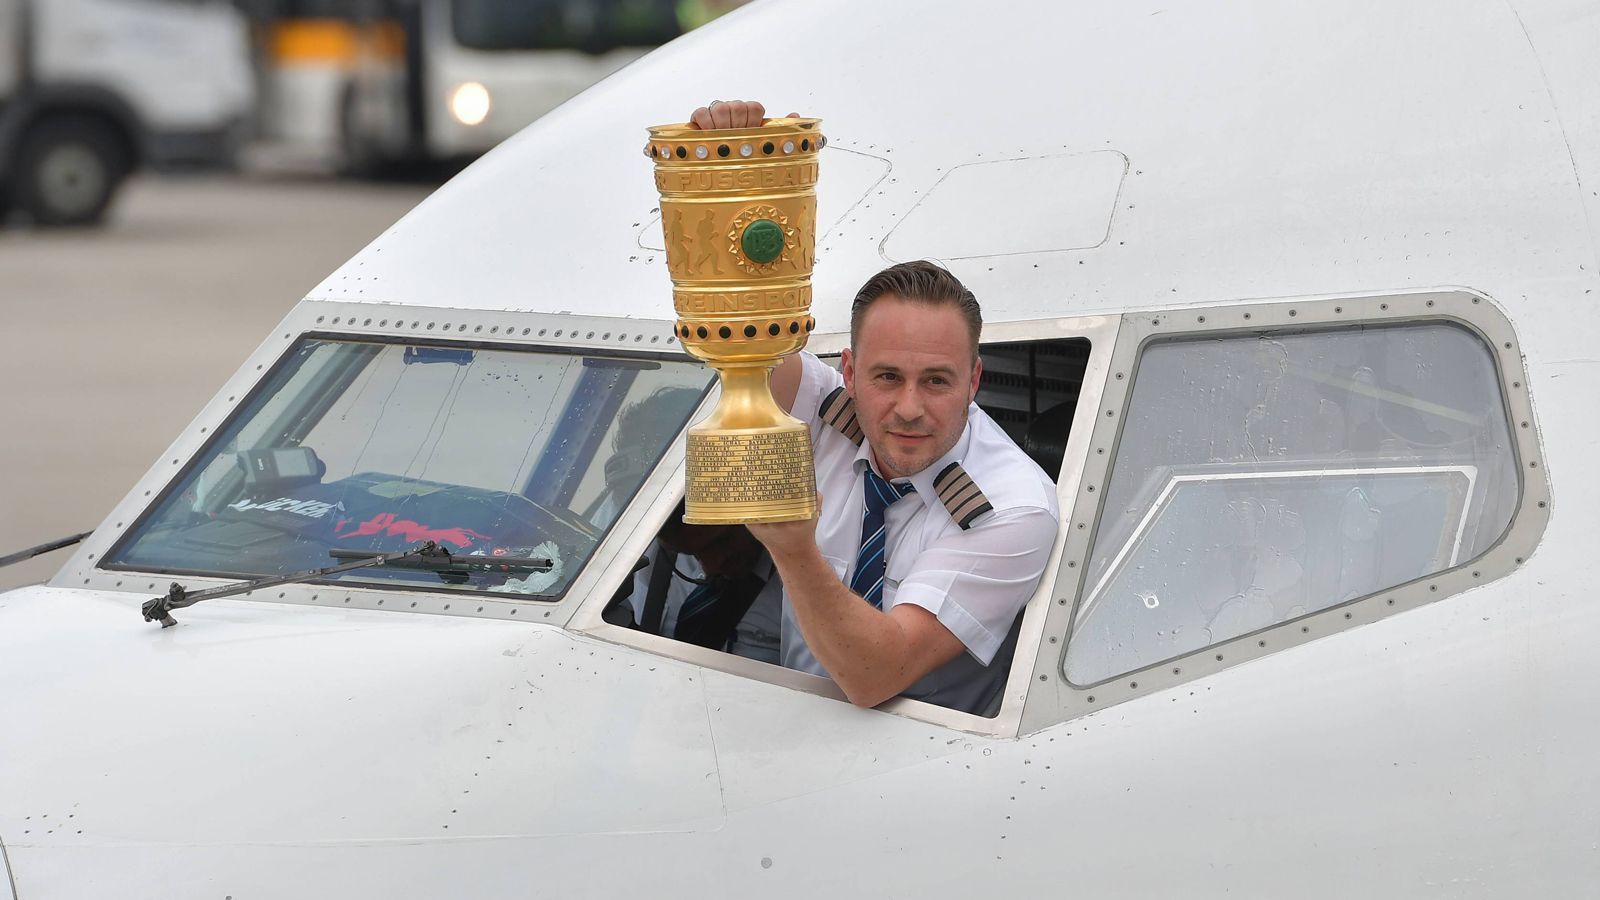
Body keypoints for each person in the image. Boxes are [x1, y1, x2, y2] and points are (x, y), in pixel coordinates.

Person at [682, 101, 1061, 714]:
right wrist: (729, 178)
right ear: (850, 372)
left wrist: (795, 551)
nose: (908, 409)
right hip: (796, 718)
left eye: (937, 381)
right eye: (887, 377)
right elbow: (736, 337)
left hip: (920, 766)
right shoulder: (831, 407)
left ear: (975, 381)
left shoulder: (1012, 508)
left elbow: (874, 677)